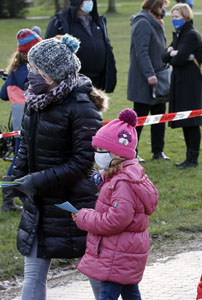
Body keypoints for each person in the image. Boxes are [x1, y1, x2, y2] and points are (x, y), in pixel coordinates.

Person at [12, 34, 108, 300]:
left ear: (52, 73)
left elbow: (82, 162)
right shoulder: (34, 100)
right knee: (33, 274)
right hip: (40, 203)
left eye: (35, 69)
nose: (29, 74)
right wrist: (16, 176)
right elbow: (26, 144)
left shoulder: (82, 107)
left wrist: (38, 180)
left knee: (94, 271)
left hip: (75, 203)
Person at [73, 108, 158, 300]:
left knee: (108, 295)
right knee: (130, 293)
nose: (97, 154)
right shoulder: (121, 176)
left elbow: (116, 220)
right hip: (124, 251)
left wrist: (84, 217)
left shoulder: (123, 182)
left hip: (118, 254)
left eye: (102, 150)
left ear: (117, 153)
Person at [0, 29, 42, 212]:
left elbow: (2, 94)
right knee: (32, 159)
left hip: (17, 123)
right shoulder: (33, 71)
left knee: (18, 159)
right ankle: (28, 197)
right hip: (32, 121)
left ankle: (8, 201)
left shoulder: (15, 70)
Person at [128, 0, 171, 162]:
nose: (163, 10)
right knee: (139, 119)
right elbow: (142, 51)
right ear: (154, 6)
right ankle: (133, 152)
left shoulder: (155, 22)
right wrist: (149, 74)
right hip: (144, 80)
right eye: (161, 7)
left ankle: (158, 151)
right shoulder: (143, 23)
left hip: (160, 78)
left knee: (159, 117)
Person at [163, 3, 202, 169]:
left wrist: (174, 53)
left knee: (192, 121)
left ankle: (193, 159)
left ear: (186, 17)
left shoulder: (191, 35)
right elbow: (163, 57)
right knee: (185, 120)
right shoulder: (180, 34)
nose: (174, 20)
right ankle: (189, 157)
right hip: (180, 82)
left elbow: (177, 60)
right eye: (172, 17)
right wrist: (173, 53)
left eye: (177, 17)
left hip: (190, 84)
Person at [45, 0, 117, 93]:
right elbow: (47, 49)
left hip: (98, 81)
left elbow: (107, 47)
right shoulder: (61, 21)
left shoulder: (98, 21)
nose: (90, 2)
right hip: (75, 81)